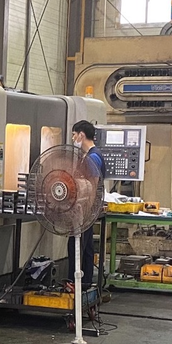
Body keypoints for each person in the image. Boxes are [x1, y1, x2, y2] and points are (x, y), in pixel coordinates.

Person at [67, 120, 105, 290]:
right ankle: (86, 283)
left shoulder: (93, 157)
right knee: (87, 247)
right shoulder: (87, 156)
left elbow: (92, 186)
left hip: (85, 210)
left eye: (74, 135)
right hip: (85, 210)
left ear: (81, 135)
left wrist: (87, 211)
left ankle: (75, 284)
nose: (73, 138)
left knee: (76, 246)